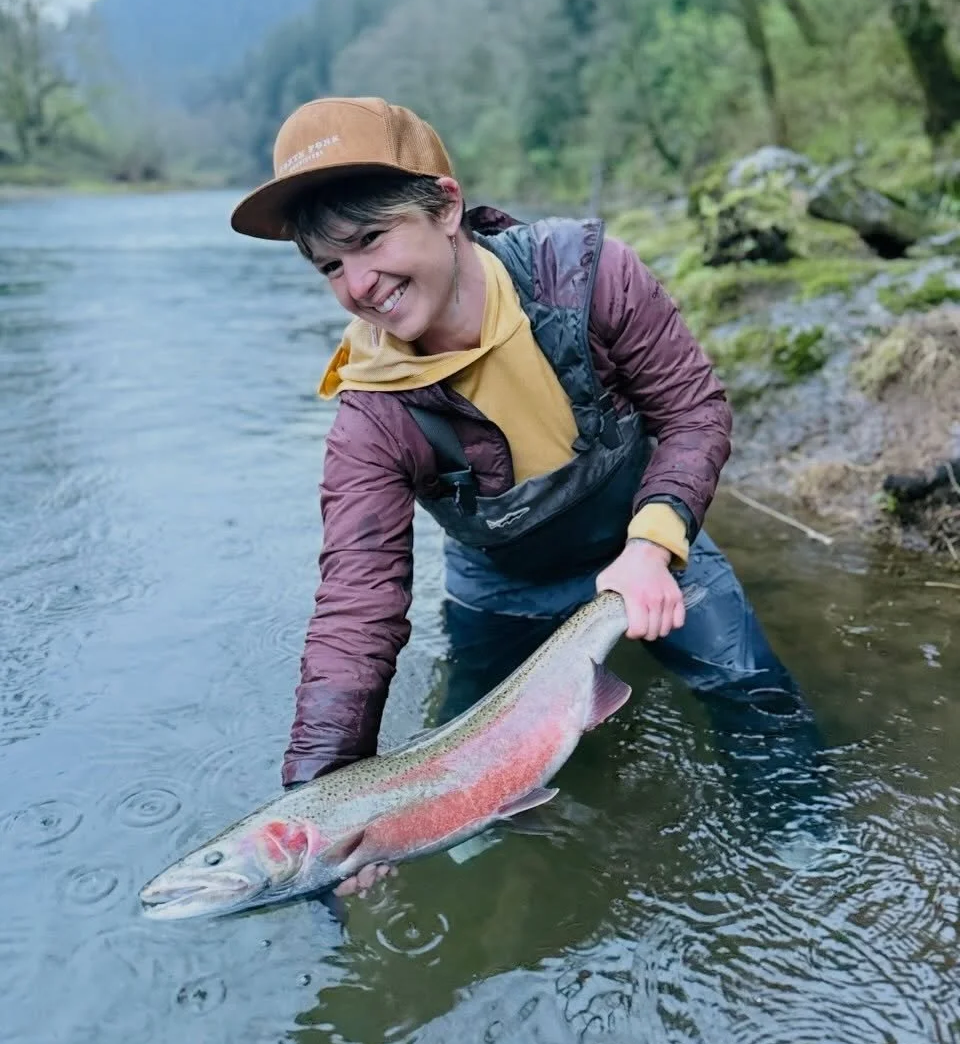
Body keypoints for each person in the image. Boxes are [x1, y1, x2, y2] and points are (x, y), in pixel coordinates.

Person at [231, 97, 825, 891]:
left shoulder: (587, 278)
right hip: (502, 587)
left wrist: (651, 548)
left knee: (756, 692)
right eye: (329, 267)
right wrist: (321, 803)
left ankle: (809, 861)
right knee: (460, 785)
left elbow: (693, 413)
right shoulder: (369, 418)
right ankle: (507, 880)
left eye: (369, 240)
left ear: (444, 206)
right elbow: (357, 605)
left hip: (647, 547)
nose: (359, 285)